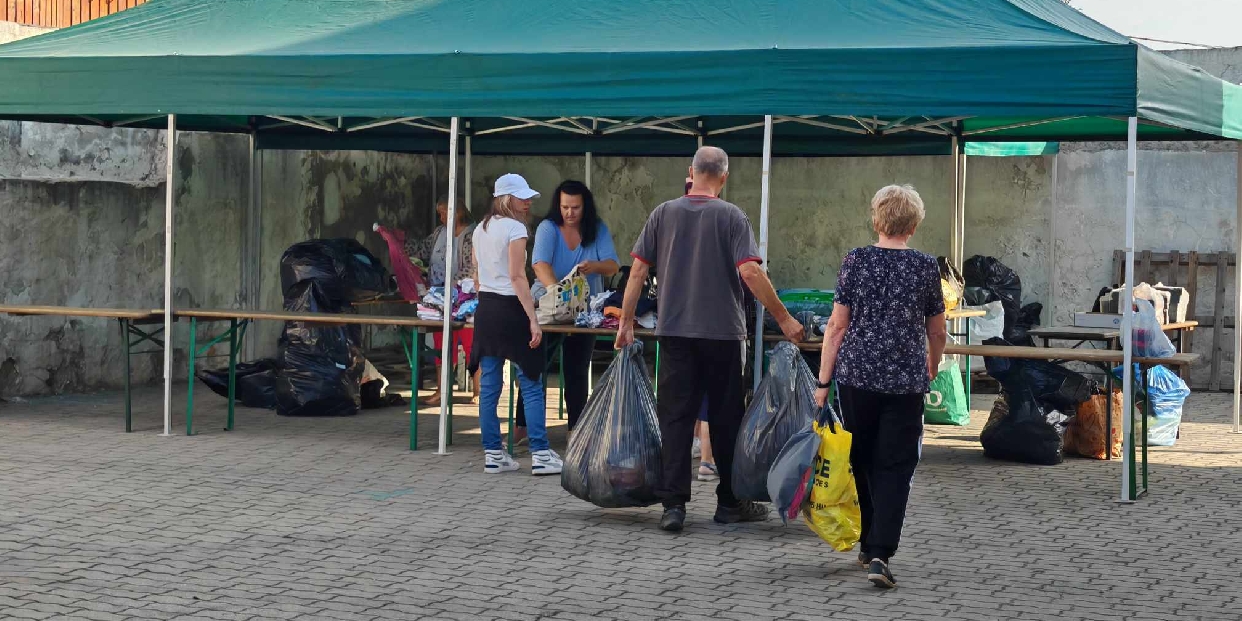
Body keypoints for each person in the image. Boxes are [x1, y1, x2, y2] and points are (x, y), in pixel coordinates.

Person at [616, 146, 804, 532]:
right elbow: (751, 273)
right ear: (724, 177)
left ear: (690, 172)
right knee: (725, 419)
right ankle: (730, 503)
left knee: (676, 417)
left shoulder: (662, 214)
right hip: (723, 335)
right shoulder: (733, 216)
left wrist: (626, 322)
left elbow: (636, 271)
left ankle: (673, 507)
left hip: (674, 333)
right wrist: (784, 319)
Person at [812, 184, 947, 589]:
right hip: (905, 381)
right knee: (895, 466)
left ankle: (868, 545)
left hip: (857, 378)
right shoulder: (925, 267)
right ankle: (880, 553)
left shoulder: (856, 260)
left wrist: (823, 382)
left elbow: (836, 326)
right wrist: (932, 364)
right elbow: (937, 330)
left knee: (862, 461)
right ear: (915, 223)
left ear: (877, 219)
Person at [468, 174, 563, 476]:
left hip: (487, 308)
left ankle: (493, 453)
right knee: (532, 382)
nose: (528, 201)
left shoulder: (480, 230)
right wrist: (533, 319)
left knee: (491, 385)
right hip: (511, 308)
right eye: (522, 196)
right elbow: (517, 276)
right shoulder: (516, 228)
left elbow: (477, 274)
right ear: (506, 198)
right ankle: (540, 453)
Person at [406, 196, 479, 406]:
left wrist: (452, 285)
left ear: (457, 212)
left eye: (444, 212)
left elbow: (471, 267)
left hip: (465, 299)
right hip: (438, 300)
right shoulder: (440, 233)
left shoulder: (471, 235)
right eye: (440, 213)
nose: (441, 217)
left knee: (471, 345)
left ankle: (478, 391)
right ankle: (442, 390)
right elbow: (422, 250)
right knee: (441, 346)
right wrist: (400, 244)